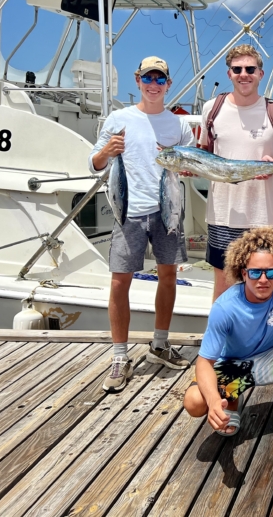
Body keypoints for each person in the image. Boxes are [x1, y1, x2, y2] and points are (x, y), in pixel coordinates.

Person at [89, 56, 195, 392]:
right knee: (120, 282)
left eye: (160, 79)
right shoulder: (119, 119)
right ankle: (120, 356)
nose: (153, 84)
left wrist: (184, 163)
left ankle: (160, 344)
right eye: (148, 78)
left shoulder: (178, 125)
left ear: (167, 85)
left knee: (168, 275)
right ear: (137, 80)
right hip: (128, 210)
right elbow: (94, 164)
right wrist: (107, 150)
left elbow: (191, 163)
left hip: (168, 210)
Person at [183, 227, 273, 445]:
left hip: (272, 356)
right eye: (255, 272)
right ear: (243, 273)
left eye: (271, 272)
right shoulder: (224, 307)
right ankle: (230, 400)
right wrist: (214, 400)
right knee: (194, 402)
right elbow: (205, 361)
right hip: (233, 365)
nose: (264, 279)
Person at [198, 44, 273, 302]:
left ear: (260, 74)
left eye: (250, 69)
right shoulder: (212, 109)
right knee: (223, 286)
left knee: (267, 285)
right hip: (223, 214)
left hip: (265, 216)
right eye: (237, 69)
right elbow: (202, 153)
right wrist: (189, 168)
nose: (244, 74)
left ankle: (264, 341)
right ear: (229, 73)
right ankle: (222, 342)